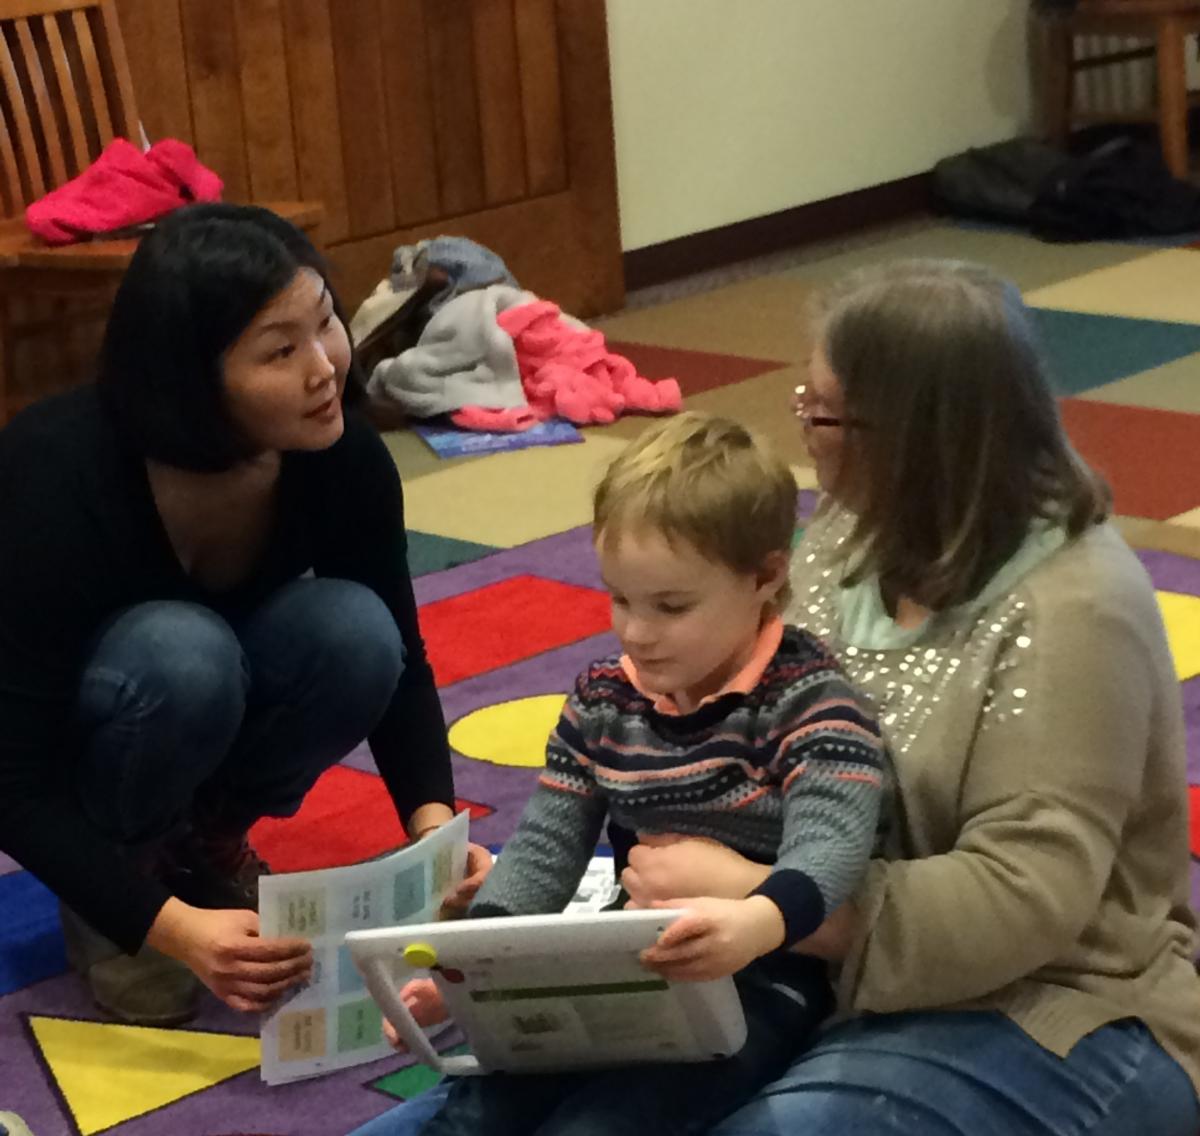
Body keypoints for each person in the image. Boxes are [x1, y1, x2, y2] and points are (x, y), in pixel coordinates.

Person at [347, 259, 1200, 1136]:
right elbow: (707, 738)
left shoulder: (1076, 606)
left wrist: (762, 898)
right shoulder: (840, 541)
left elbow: (1026, 896)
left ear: (913, 436)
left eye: (823, 414)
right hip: (779, 963)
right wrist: (509, 945)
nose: (805, 434)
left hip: (1051, 1001)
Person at [0, 203, 488, 1027]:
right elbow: (9, 777)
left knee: (356, 633)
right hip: (89, 739)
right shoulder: (54, 477)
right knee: (180, 653)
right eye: (279, 350)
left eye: (326, 321)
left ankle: (204, 841)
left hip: (206, 695)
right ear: (190, 377)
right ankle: (130, 877)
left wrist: (434, 836)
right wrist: (169, 930)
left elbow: (402, 662)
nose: (325, 366)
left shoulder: (344, 456)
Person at [359, 412, 888, 1136]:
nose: (635, 631)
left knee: (610, 1125)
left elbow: (831, 847)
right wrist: (475, 974)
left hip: (767, 976)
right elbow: (546, 844)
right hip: (624, 959)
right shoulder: (608, 695)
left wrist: (755, 923)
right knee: (482, 1108)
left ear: (766, 576)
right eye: (620, 599)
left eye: (671, 606)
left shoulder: (810, 699)